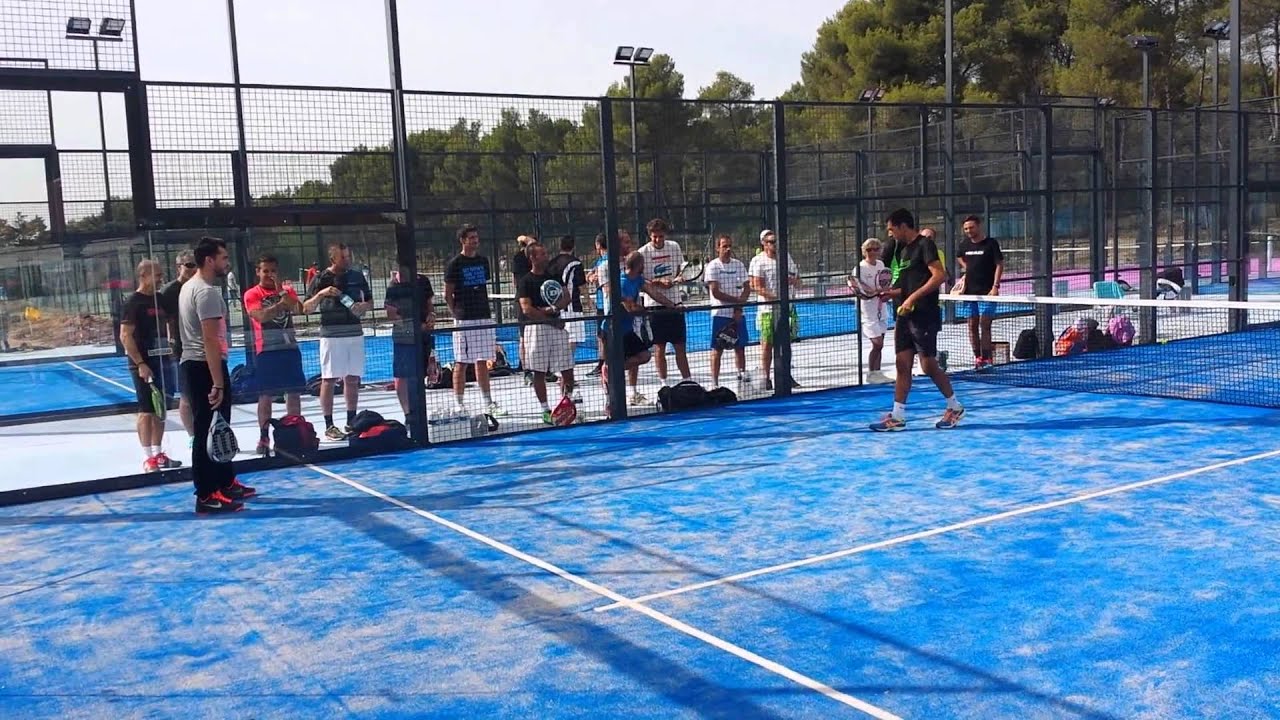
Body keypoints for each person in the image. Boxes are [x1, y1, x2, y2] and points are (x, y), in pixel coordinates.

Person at [179, 237, 255, 514]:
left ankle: (224, 483)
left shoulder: (191, 286)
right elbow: (210, 340)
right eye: (223, 258)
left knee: (217, 427)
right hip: (204, 367)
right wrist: (219, 383)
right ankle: (206, 495)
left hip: (199, 365)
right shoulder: (206, 292)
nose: (227, 263)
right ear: (209, 260)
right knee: (206, 432)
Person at [871, 208, 964, 432]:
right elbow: (906, 285)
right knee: (902, 365)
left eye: (892, 230)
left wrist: (912, 298)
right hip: (904, 315)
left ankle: (955, 406)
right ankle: (898, 416)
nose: (890, 235)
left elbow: (940, 275)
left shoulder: (924, 245)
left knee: (928, 365)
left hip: (924, 314)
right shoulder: (901, 251)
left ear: (903, 226)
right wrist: (891, 294)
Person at [244, 254, 316, 455]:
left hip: (289, 348)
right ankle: (264, 436)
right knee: (266, 395)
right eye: (265, 271)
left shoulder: (287, 291)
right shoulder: (252, 294)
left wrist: (283, 294)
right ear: (258, 272)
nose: (269, 275)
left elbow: (300, 310)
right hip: (267, 350)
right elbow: (261, 315)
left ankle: (294, 431)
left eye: (272, 271)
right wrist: (280, 304)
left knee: (293, 393)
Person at [119, 258, 181, 473]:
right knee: (146, 410)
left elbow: (171, 323)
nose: (160, 278)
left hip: (163, 360)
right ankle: (148, 458)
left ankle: (159, 453)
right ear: (143, 276)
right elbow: (125, 336)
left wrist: (172, 345)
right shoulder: (132, 303)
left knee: (161, 409)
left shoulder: (160, 300)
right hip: (144, 364)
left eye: (161, 274)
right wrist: (141, 364)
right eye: (156, 275)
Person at [306, 243, 372, 440]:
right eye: (342, 257)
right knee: (329, 378)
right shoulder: (320, 278)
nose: (347, 260)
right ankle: (329, 425)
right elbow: (306, 307)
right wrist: (321, 293)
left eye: (348, 256)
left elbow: (369, 302)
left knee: (352, 378)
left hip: (354, 332)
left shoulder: (357, 276)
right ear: (333, 259)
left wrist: (363, 307)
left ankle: (351, 422)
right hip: (331, 334)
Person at [601, 251, 679, 417]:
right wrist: (646, 311)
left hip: (627, 330)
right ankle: (609, 398)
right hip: (612, 331)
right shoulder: (621, 282)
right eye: (643, 264)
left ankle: (612, 369)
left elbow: (653, 292)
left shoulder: (638, 279)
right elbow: (630, 308)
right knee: (613, 381)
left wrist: (672, 305)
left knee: (644, 355)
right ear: (638, 265)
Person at [444, 223, 505, 416]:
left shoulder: (483, 261)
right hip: (464, 319)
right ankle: (459, 404)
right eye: (471, 238)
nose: (475, 241)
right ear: (462, 240)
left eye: (476, 237)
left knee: (482, 360)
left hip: (483, 316)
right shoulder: (455, 264)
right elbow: (448, 294)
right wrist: (456, 314)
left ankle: (488, 401)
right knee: (461, 362)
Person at [518, 242, 578, 423]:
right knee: (539, 371)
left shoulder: (554, 276)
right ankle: (545, 409)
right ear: (533, 258)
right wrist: (550, 319)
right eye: (542, 253)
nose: (546, 255)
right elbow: (527, 309)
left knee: (567, 369)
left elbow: (566, 296)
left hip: (558, 327)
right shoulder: (526, 281)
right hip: (537, 330)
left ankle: (566, 404)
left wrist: (553, 309)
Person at [636, 218, 690, 386]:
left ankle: (688, 381)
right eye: (654, 237)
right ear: (649, 235)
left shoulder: (674, 247)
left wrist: (679, 278)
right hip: (654, 306)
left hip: (675, 303)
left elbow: (681, 270)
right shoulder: (642, 252)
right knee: (659, 347)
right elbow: (639, 279)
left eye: (661, 236)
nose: (658, 240)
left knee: (680, 345)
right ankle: (664, 384)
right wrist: (658, 282)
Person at [748, 229, 802, 390]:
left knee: (786, 342)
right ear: (763, 243)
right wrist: (776, 298)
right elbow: (757, 286)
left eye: (775, 241)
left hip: (788, 307)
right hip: (767, 310)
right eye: (770, 241)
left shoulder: (786, 257)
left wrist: (794, 281)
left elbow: (798, 280)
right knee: (767, 344)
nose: (774, 244)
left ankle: (786, 374)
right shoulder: (758, 261)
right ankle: (766, 377)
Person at [385, 269, 435, 424]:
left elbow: (429, 305)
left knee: (420, 374)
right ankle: (408, 415)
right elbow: (391, 314)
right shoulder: (393, 286)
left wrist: (431, 317)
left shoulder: (423, 281)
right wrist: (412, 326)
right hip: (403, 338)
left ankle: (419, 411)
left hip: (423, 336)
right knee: (402, 376)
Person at [955, 215, 1004, 370]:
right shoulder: (964, 244)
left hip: (988, 292)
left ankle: (988, 358)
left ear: (979, 226)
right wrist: (966, 267)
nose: (969, 231)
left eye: (971, 227)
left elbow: (999, 264)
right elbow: (958, 257)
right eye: (966, 229)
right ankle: (978, 358)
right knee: (972, 325)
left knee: (985, 324)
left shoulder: (991, 244)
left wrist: (995, 286)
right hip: (969, 293)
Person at [158, 252, 197, 445]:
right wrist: (170, 345)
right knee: (186, 394)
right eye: (189, 265)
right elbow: (162, 322)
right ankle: (192, 436)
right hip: (181, 349)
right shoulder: (168, 292)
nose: (193, 269)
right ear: (179, 267)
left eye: (196, 265)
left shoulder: (201, 287)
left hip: (202, 346)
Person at [704, 234, 750, 388]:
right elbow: (716, 292)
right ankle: (714, 382)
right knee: (717, 348)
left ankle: (742, 373)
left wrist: (738, 308)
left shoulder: (738, 265)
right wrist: (737, 301)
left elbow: (747, 288)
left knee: (740, 346)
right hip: (720, 315)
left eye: (729, 245)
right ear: (718, 248)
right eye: (724, 246)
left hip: (737, 314)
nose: (728, 249)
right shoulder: (713, 266)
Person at [851, 238, 892, 384]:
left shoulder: (881, 264)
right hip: (867, 311)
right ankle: (870, 372)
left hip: (881, 309)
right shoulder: (859, 268)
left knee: (881, 341)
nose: (873, 252)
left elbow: (886, 282)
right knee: (877, 343)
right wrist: (874, 292)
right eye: (869, 249)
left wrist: (885, 293)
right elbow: (859, 287)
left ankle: (877, 373)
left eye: (876, 249)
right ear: (864, 251)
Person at [510, 234, 535, 382]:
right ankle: (527, 371)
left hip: (538, 301)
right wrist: (525, 238)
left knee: (541, 335)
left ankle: (544, 369)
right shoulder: (519, 258)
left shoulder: (537, 258)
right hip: (523, 300)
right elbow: (515, 281)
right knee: (524, 336)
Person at [586, 233, 610, 377]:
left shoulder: (608, 260)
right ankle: (603, 363)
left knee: (604, 335)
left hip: (606, 304)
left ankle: (605, 363)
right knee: (601, 335)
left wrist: (596, 277)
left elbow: (596, 276)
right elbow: (590, 276)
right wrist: (592, 277)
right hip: (602, 304)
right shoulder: (600, 261)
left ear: (598, 245)